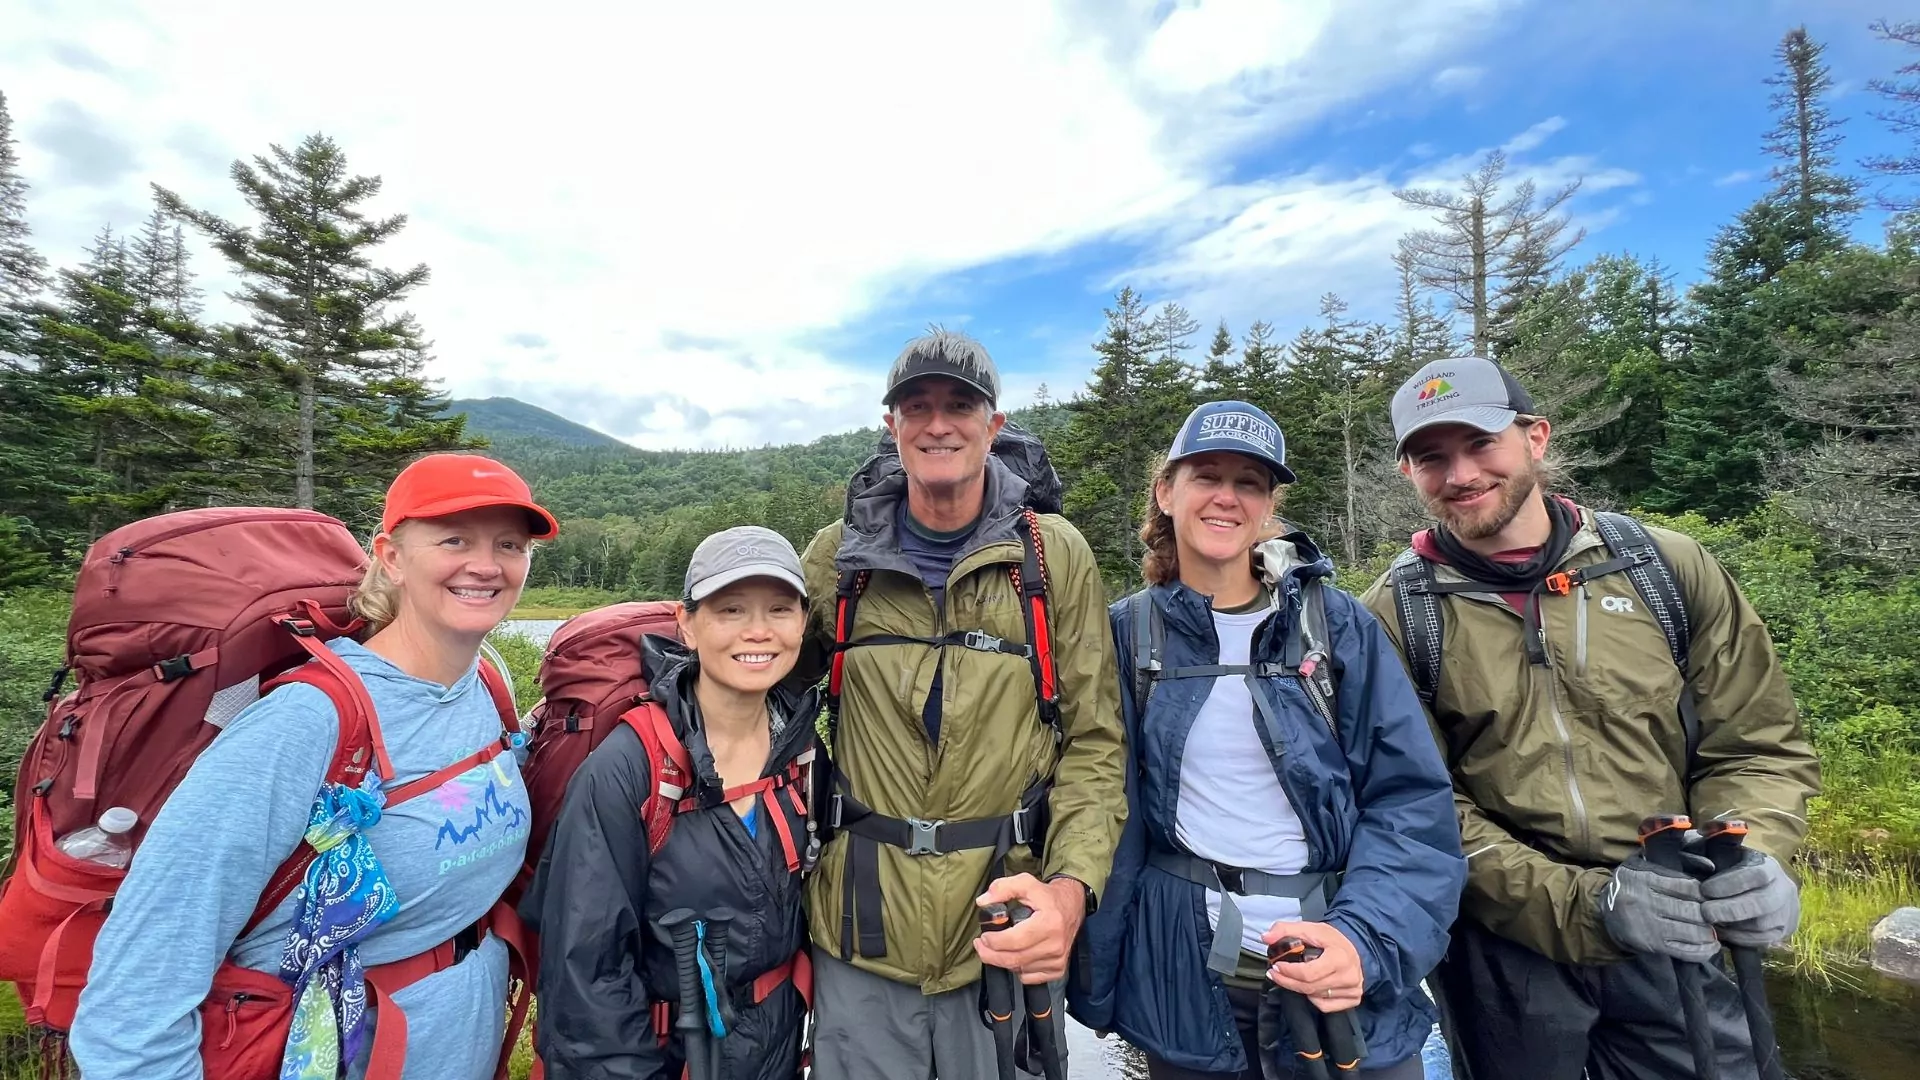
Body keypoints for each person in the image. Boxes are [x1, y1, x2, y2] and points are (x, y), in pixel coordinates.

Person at [1358, 356, 1822, 1080]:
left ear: (1535, 438)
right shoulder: (1392, 614)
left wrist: (1755, 853)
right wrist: (1590, 905)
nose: (1460, 475)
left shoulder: (1664, 568)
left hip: (1678, 924)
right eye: (1431, 458)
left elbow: (1757, 746)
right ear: (1408, 473)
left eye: (1481, 444)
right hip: (1503, 950)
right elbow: (1420, 807)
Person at [71, 452, 555, 1080]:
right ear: (392, 556)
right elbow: (147, 968)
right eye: (454, 539)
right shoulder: (308, 719)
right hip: (328, 1051)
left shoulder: (486, 683)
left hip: (459, 1035)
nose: (486, 565)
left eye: (509, 545)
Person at [1070, 400, 1464, 1080]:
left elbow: (1410, 807)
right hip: (1185, 982)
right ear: (1167, 493)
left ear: (1268, 506)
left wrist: (1365, 943)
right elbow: (1098, 796)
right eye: (1206, 475)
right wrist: (1099, 976)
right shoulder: (1126, 634)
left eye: (1249, 482)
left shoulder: (1335, 626)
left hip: (1338, 970)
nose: (1226, 496)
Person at [791, 327, 1128, 1077]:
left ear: (993, 424)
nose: (937, 423)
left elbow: (1096, 744)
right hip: (859, 930)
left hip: (1006, 922)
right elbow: (764, 701)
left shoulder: (1052, 555)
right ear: (891, 426)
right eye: (917, 406)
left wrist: (1070, 892)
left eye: (959, 404)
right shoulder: (836, 557)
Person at [523, 525, 819, 1080]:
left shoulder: (803, 753)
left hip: (777, 1052)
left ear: (803, 622)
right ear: (686, 624)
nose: (758, 631)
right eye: (730, 610)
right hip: (667, 1059)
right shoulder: (631, 768)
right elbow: (585, 976)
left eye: (780, 609)